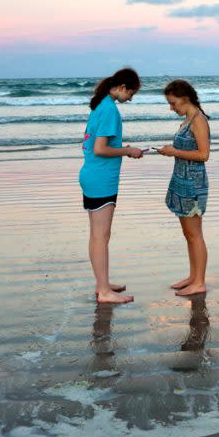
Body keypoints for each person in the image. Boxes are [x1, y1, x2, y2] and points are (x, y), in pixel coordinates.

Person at [80, 67, 144, 304]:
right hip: (101, 179)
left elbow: (100, 145)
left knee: (98, 235)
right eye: (132, 93)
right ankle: (104, 292)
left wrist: (122, 148)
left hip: (93, 175)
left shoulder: (101, 105)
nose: (131, 98)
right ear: (123, 87)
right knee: (100, 236)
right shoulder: (109, 109)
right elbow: (100, 149)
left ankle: (102, 284)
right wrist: (128, 151)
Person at [158, 80, 210, 296]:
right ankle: (193, 276)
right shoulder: (189, 119)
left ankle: (199, 281)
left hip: (193, 184)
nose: (172, 108)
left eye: (173, 103)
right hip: (182, 180)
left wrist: (174, 152)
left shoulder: (198, 120)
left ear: (185, 98)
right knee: (188, 233)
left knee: (195, 234)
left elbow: (204, 155)